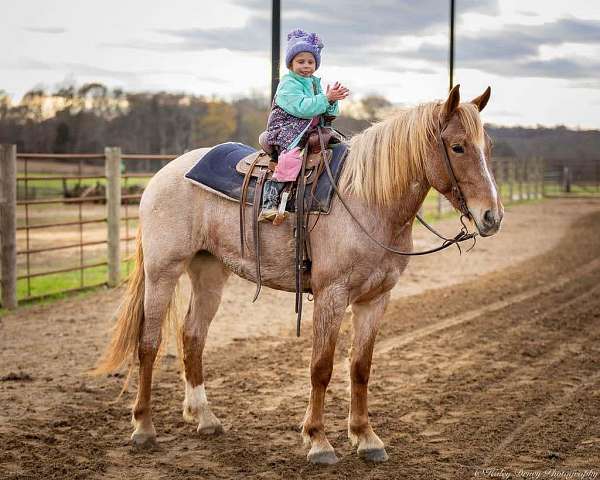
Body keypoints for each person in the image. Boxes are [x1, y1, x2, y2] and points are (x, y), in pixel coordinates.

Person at [258, 28, 349, 222]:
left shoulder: (314, 83)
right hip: (287, 128)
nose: (306, 66)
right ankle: (270, 199)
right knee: (292, 157)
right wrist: (325, 98)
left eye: (310, 62)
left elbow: (328, 113)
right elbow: (302, 108)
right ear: (291, 64)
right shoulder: (288, 84)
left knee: (343, 147)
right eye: (301, 61)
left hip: (309, 129)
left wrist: (332, 101)